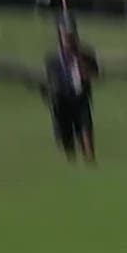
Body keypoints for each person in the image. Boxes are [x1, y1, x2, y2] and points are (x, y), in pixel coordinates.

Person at [41, 13, 101, 163]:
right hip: (61, 103)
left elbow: (96, 74)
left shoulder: (86, 55)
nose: (69, 39)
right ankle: (71, 166)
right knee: (66, 141)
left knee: (86, 134)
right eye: (65, 36)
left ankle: (89, 162)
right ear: (60, 36)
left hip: (81, 100)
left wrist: (83, 66)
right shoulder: (52, 59)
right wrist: (50, 93)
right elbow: (46, 83)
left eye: (71, 35)